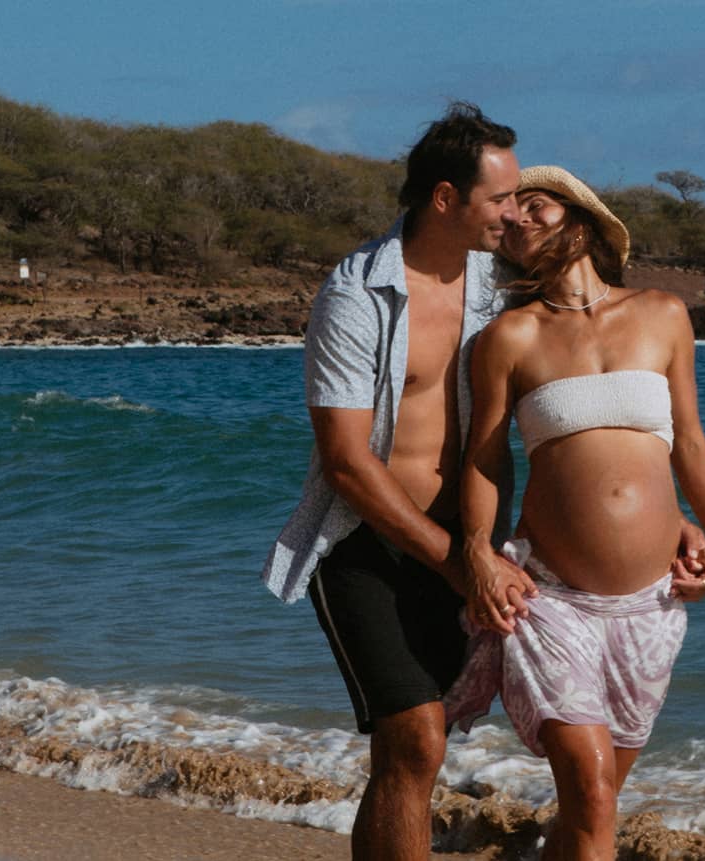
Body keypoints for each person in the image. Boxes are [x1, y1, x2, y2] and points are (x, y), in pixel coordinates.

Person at [259, 102, 538, 860]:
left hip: (467, 542)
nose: (513, 214)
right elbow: (347, 462)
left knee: (411, 750)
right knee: (415, 738)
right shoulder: (355, 294)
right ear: (446, 198)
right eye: (500, 198)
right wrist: (456, 564)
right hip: (366, 543)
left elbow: (583, 373)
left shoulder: (500, 285)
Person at [445, 166, 705, 860]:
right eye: (510, 216)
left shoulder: (663, 313)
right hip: (551, 598)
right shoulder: (509, 337)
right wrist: (480, 552)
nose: (520, 219)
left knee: (593, 807)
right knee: (592, 792)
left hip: (652, 605)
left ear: (581, 222)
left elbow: (689, 442)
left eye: (536, 205)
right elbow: (486, 460)